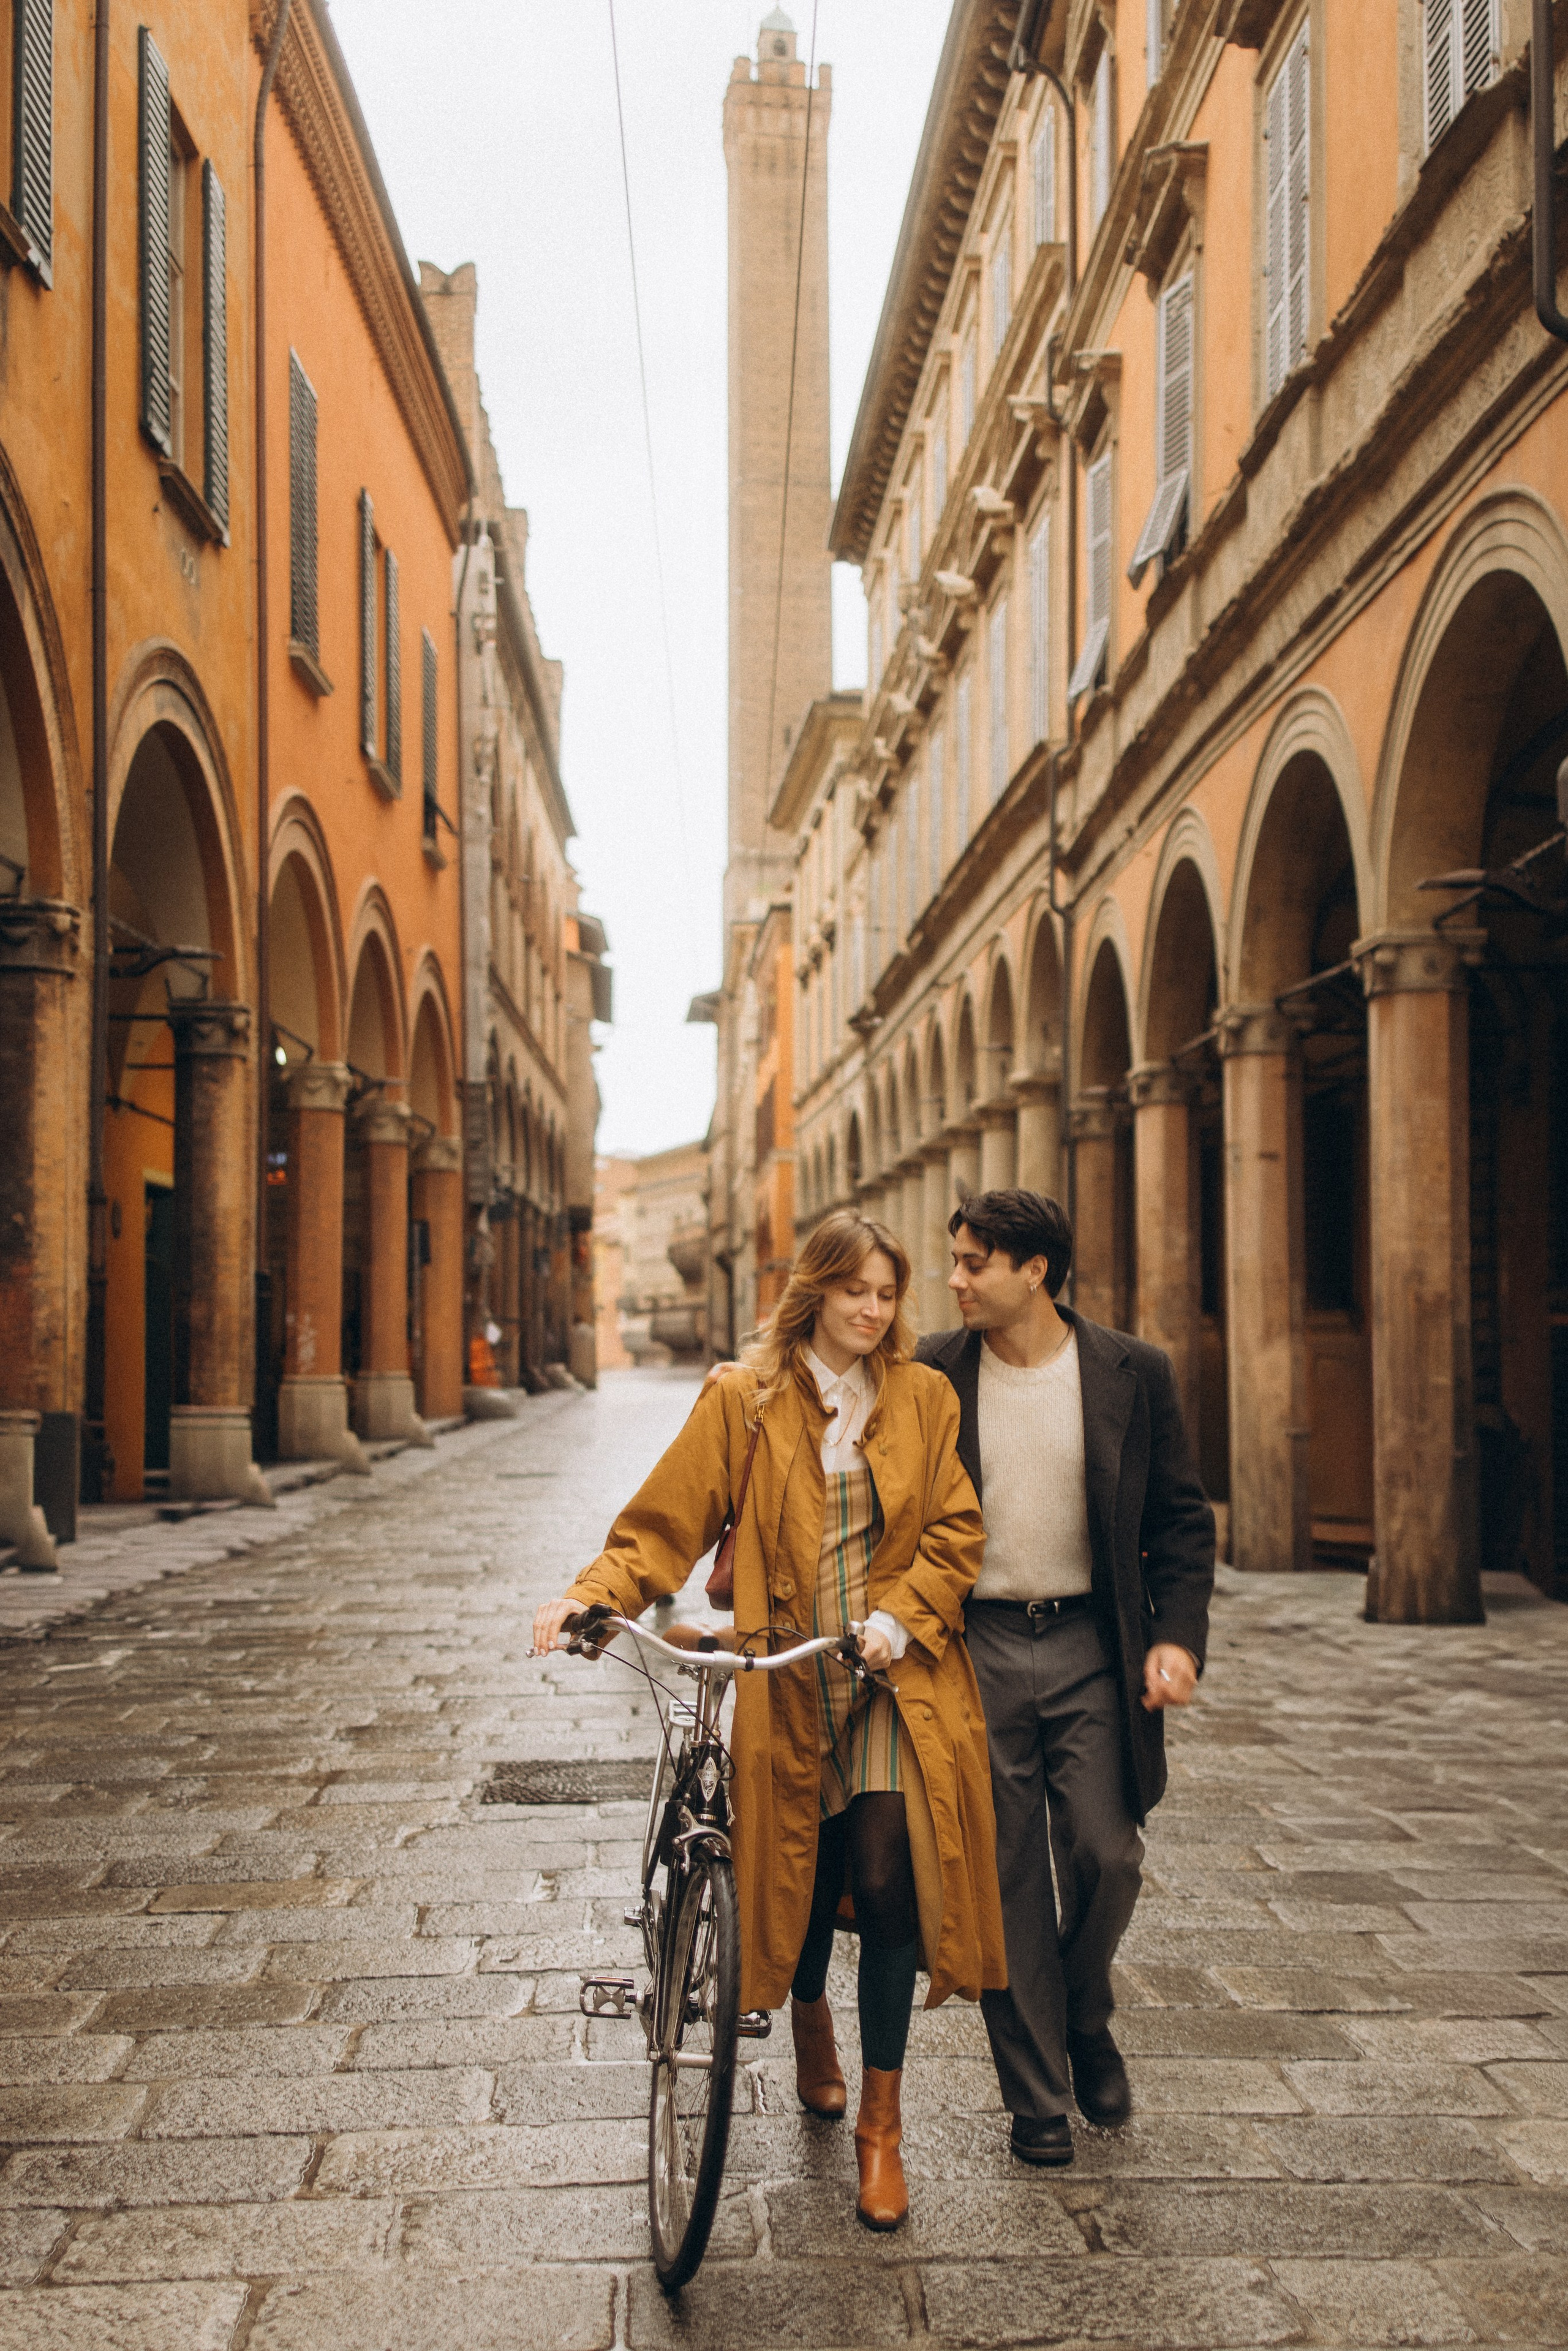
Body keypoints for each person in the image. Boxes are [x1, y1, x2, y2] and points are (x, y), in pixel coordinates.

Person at [533, 1210, 1006, 2232]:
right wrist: (594, 1594)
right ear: (815, 1292)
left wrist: (901, 1617)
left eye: (888, 1293)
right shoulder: (744, 1402)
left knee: (884, 1879)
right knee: (797, 1870)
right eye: (855, 1293)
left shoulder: (924, 1397)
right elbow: (666, 1520)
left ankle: (882, 2126)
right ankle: (807, 2018)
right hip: (782, 1675)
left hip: (886, 1674)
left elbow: (958, 1529)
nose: (875, 1312)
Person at [916, 1188, 1214, 2169]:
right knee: (1004, 1882)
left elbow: (1178, 1519)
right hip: (976, 1645)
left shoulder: (1133, 1370)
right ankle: (1038, 2093)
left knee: (1107, 1851)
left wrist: (1177, 1639)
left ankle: (1086, 2013)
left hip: (1093, 1641)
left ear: (1034, 1270)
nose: (955, 1279)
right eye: (955, 1260)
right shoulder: (933, 1370)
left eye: (973, 1263)